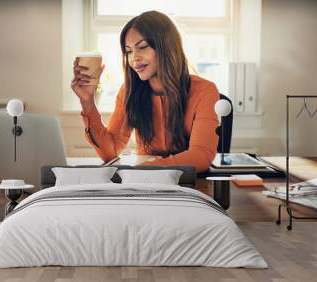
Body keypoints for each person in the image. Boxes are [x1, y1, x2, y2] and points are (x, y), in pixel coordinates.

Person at [71, 11, 219, 172]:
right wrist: (87, 102)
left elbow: (200, 156)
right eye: (128, 51)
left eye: (142, 47)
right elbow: (110, 152)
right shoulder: (129, 91)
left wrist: (143, 170)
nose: (134, 58)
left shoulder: (205, 91)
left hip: (192, 185)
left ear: (167, 47)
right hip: (146, 183)